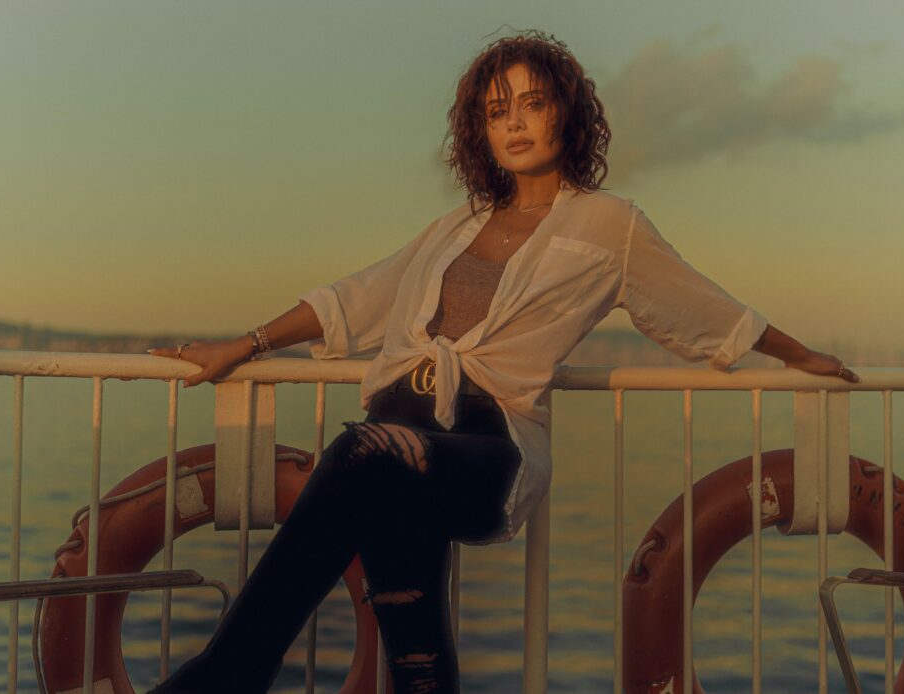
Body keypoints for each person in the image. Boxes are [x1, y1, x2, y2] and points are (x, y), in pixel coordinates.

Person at [146, 30, 858, 694]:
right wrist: (241, 345)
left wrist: (801, 355)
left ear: (565, 115)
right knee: (414, 639)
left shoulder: (609, 225)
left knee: (362, 452)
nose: (514, 122)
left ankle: (230, 671)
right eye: (497, 110)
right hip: (400, 429)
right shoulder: (455, 225)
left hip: (487, 448)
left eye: (532, 103)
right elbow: (355, 297)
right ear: (479, 131)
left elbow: (703, 306)